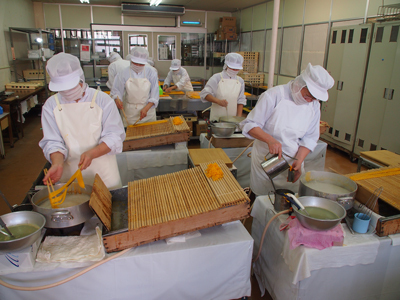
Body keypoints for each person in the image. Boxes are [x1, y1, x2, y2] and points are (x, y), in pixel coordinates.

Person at [239, 63, 334, 196]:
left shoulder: (313, 106)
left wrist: (300, 160)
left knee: (288, 200)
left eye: (313, 98)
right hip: (266, 159)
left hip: (292, 161)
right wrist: (270, 140)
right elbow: (249, 124)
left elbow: (310, 138)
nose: (309, 100)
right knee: (263, 198)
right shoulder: (274, 95)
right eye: (308, 95)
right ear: (300, 83)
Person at [39, 53, 126, 190]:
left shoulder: (102, 100)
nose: (67, 91)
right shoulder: (51, 105)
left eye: (70, 85)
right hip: (69, 174)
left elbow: (114, 136)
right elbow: (53, 141)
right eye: (62, 88)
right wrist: (57, 163)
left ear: (80, 77)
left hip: (104, 174)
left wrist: (92, 153)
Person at [111, 47, 159, 126]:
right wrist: (117, 99)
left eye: (141, 64)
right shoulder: (123, 72)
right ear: (131, 60)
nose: (138, 65)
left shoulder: (151, 72)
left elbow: (155, 93)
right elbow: (116, 90)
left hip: (148, 112)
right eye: (135, 63)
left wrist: (146, 108)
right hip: (130, 113)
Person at [200, 53, 246, 122]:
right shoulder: (217, 78)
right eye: (232, 68)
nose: (234, 70)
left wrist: (238, 119)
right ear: (226, 65)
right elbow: (205, 94)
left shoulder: (240, 81)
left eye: (237, 69)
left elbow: (241, 100)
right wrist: (218, 101)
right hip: (217, 119)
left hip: (232, 119)